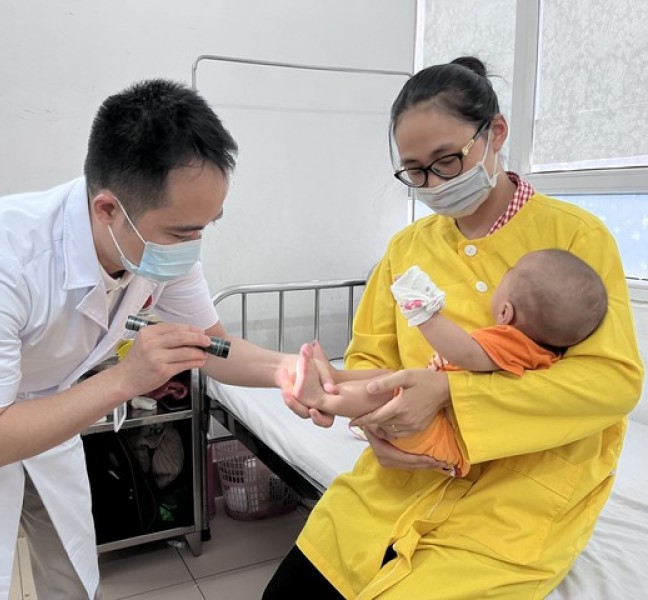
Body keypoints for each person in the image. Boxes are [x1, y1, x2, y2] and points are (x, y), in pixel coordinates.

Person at [0, 79, 302, 600]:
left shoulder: (158, 248)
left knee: (68, 564)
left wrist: (294, 371)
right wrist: (126, 379)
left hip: (46, 396)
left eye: (205, 227)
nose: (193, 246)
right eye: (181, 232)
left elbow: (213, 349)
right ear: (107, 209)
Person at [265, 57, 643, 599]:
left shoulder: (575, 237)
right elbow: (372, 359)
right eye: (415, 171)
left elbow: (611, 383)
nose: (434, 183)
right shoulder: (407, 249)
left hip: (518, 502)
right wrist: (363, 414)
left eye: (446, 160)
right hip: (402, 478)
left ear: (495, 133)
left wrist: (449, 393)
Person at [290, 249, 609, 477]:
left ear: (505, 312)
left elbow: (463, 352)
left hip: (440, 433)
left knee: (388, 393)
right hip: (440, 423)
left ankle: (321, 398)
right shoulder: (537, 349)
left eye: (505, 277)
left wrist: (424, 312)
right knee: (392, 377)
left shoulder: (513, 342)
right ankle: (335, 377)